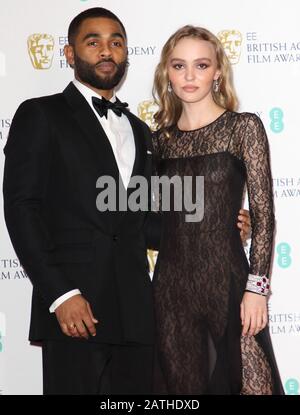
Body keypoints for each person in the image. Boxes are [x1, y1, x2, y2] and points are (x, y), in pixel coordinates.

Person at [2, 8, 250, 394]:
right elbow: (21, 208)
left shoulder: (140, 130)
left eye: (116, 42)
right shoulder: (40, 114)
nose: (106, 51)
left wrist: (218, 221)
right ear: (70, 54)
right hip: (74, 309)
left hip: (137, 311)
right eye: (94, 41)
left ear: (126, 55)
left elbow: (143, 222)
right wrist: (61, 294)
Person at [152, 25, 284, 395]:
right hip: (171, 291)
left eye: (201, 65)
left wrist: (257, 288)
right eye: (179, 66)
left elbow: (264, 214)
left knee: (257, 387)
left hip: (228, 283)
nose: (190, 76)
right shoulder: (159, 141)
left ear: (217, 72)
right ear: (167, 74)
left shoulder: (243, 128)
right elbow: (155, 216)